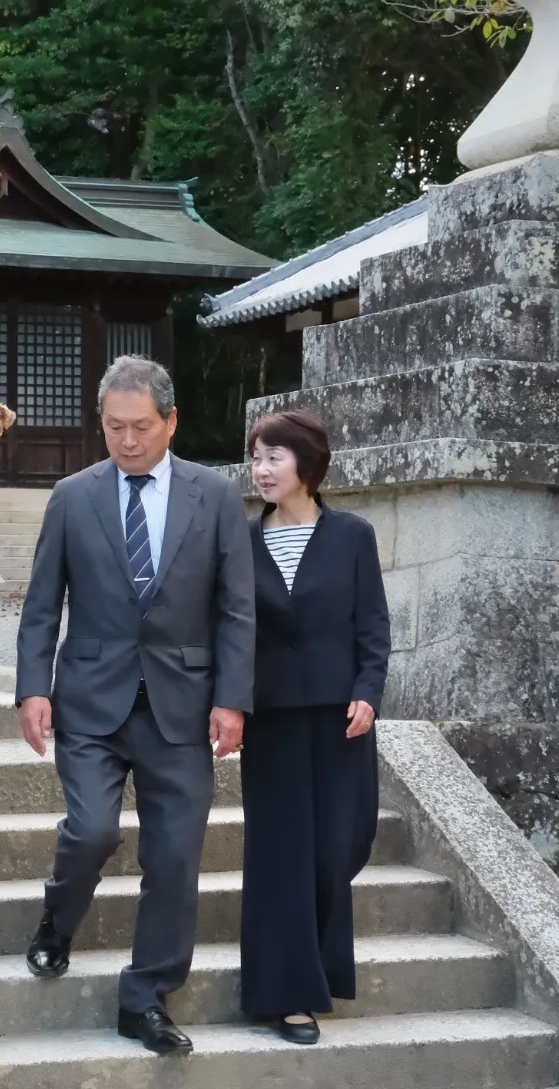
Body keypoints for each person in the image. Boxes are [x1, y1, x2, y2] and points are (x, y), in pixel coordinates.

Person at [14, 355, 255, 1055]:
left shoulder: (214, 497)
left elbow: (237, 610)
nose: (126, 440)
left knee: (176, 857)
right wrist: (32, 687)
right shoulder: (72, 496)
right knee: (92, 831)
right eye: (113, 427)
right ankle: (57, 924)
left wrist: (233, 701)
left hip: (183, 702)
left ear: (170, 421)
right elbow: (39, 607)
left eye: (140, 427)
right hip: (90, 698)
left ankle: (145, 999)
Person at [239, 408, 389, 1045]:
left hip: (340, 719)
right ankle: (289, 995)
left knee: (337, 848)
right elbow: (229, 632)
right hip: (270, 721)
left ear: (308, 463)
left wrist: (367, 693)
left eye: (274, 456)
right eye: (256, 457)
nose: (262, 469)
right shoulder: (241, 540)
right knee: (282, 858)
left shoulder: (352, 535)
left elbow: (372, 627)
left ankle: (320, 966)